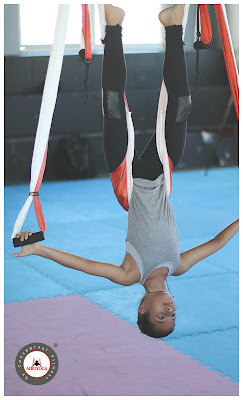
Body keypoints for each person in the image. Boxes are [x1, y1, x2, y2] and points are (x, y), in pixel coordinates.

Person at [13, 5, 239, 338]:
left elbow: (85, 265)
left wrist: (39, 249)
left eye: (161, 318)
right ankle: (173, 26)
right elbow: (218, 241)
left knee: (113, 102)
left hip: (127, 180)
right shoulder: (179, 265)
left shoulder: (129, 274)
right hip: (162, 172)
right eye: (173, 317)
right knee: (181, 104)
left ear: (143, 308)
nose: (170, 311)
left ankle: (114, 26)